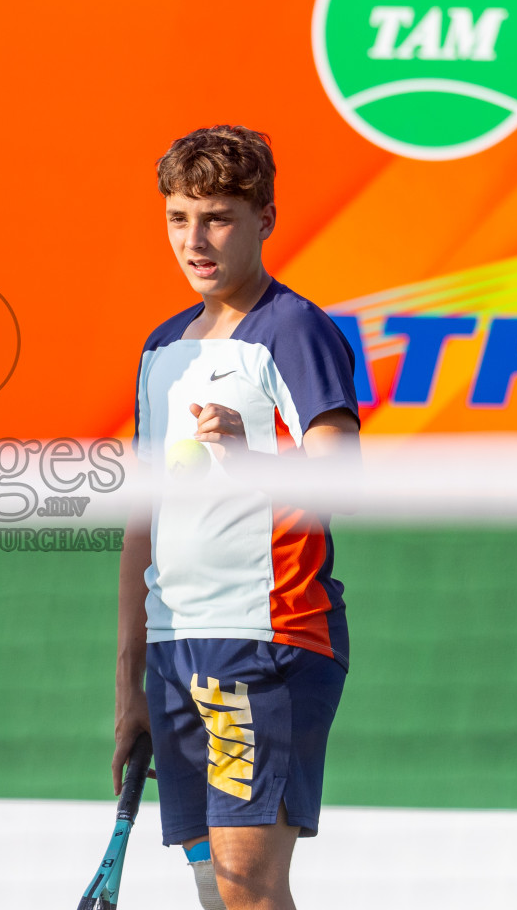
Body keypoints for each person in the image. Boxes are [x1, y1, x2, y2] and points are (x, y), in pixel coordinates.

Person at [113, 126, 361, 910]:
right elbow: (141, 524)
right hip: (173, 647)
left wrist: (254, 455)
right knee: (215, 893)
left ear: (265, 219)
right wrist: (128, 681)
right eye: (179, 217)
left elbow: (342, 480)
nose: (195, 239)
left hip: (268, 636)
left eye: (217, 217)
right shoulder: (161, 348)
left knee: (247, 888)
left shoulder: (293, 330)